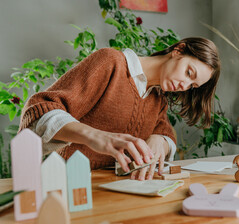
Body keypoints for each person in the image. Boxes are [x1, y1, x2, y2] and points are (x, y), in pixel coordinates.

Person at [19, 37, 221, 180]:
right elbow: (38, 110)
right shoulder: (110, 63)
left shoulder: (158, 98)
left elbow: (166, 134)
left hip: (117, 192)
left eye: (192, 86)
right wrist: (95, 136)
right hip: (70, 185)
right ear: (178, 50)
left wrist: (161, 141)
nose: (184, 86)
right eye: (188, 72)